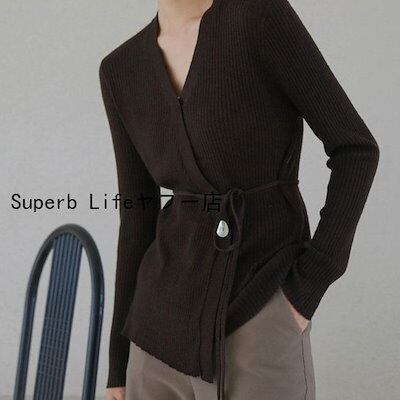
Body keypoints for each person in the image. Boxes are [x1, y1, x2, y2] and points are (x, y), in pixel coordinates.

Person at [99, 0, 380, 399]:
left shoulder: (258, 17)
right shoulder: (120, 69)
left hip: (257, 316)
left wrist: (308, 287)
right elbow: (136, 217)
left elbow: (356, 149)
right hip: (152, 338)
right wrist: (118, 363)